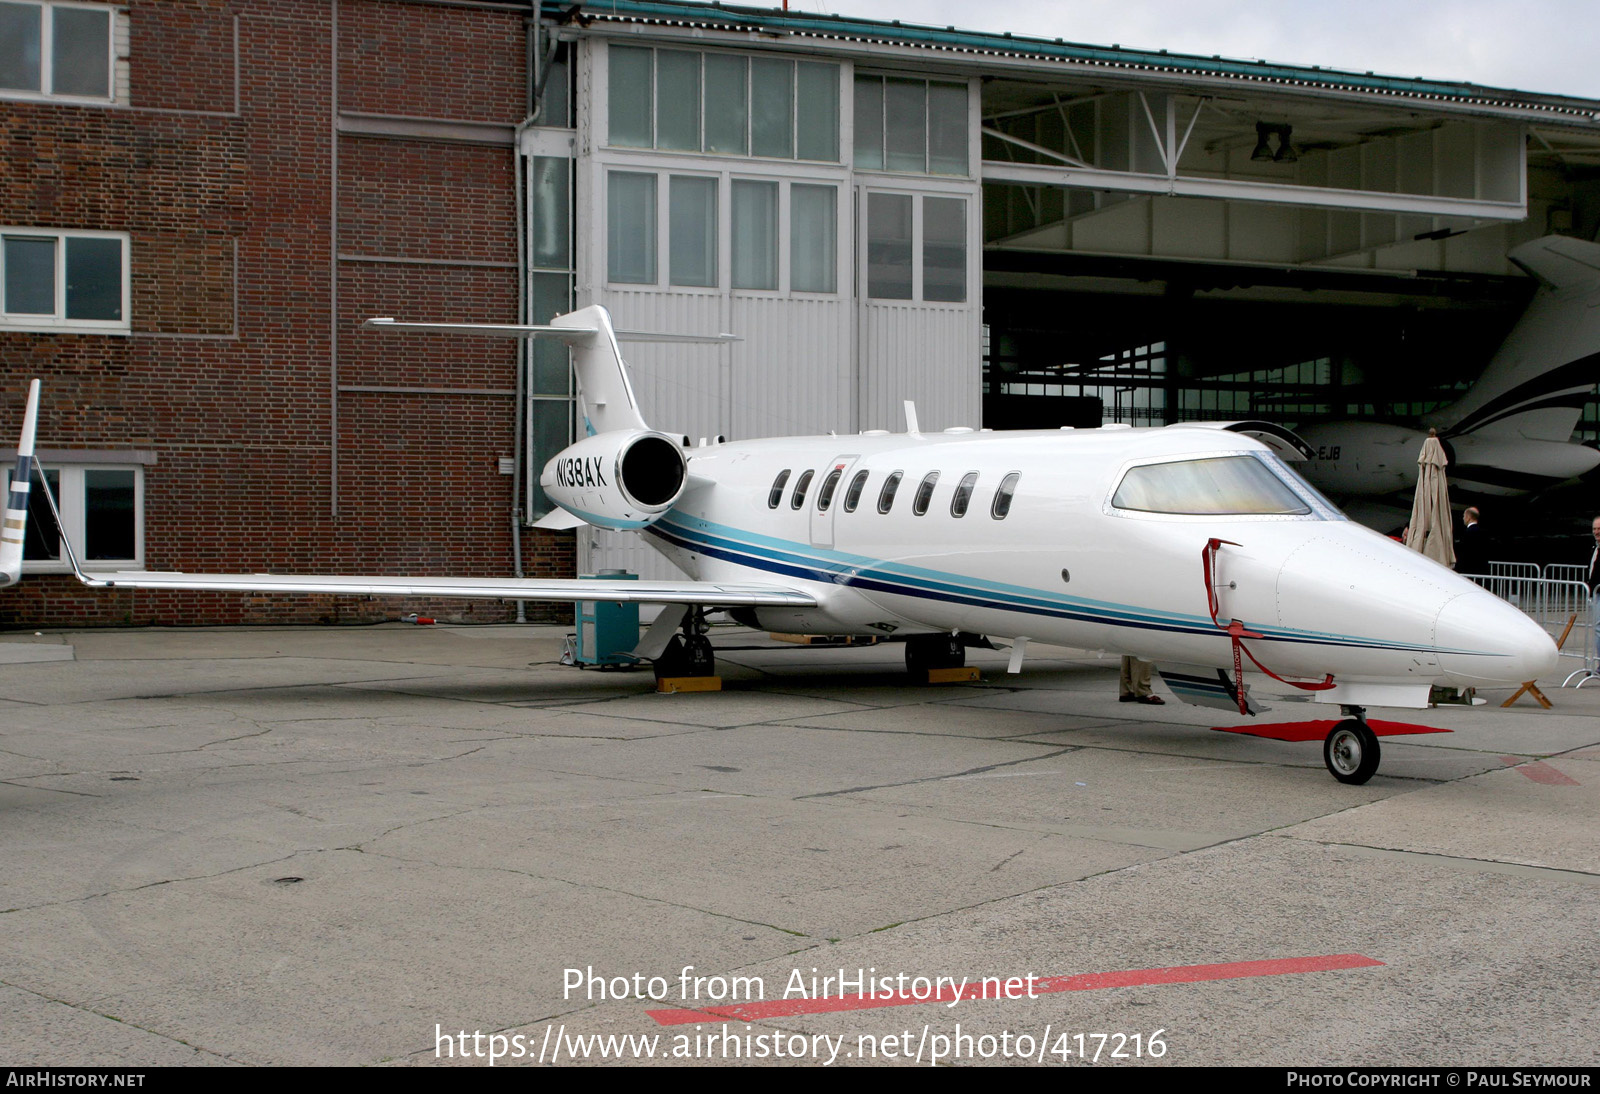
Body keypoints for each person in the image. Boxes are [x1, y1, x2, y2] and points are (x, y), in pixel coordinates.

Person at [1455, 506, 1488, 574]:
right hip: (1482, 570)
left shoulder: (1467, 533)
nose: (1463, 518)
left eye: (1464, 516)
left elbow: (1463, 552)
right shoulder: (1484, 533)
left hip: (1468, 570)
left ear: (1468, 517)